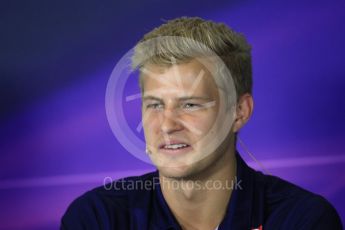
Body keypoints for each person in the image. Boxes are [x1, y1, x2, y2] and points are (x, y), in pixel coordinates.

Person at [60, 17, 342, 229]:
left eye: (190, 104)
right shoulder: (97, 219)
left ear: (239, 112)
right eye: (155, 104)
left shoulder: (302, 220)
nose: (167, 125)